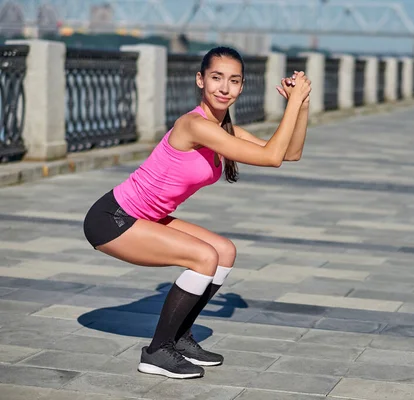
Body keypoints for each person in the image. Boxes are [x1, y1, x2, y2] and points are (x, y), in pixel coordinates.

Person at [83, 46, 312, 379]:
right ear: (200, 80)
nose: (224, 88)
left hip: (145, 218)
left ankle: (179, 338)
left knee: (224, 251)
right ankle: (157, 351)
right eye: (216, 78)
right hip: (113, 219)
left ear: (242, 86)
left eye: (234, 81)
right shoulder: (194, 125)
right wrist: (291, 103)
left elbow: (289, 153)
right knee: (204, 257)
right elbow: (271, 157)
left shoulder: (224, 132)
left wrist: (301, 105)